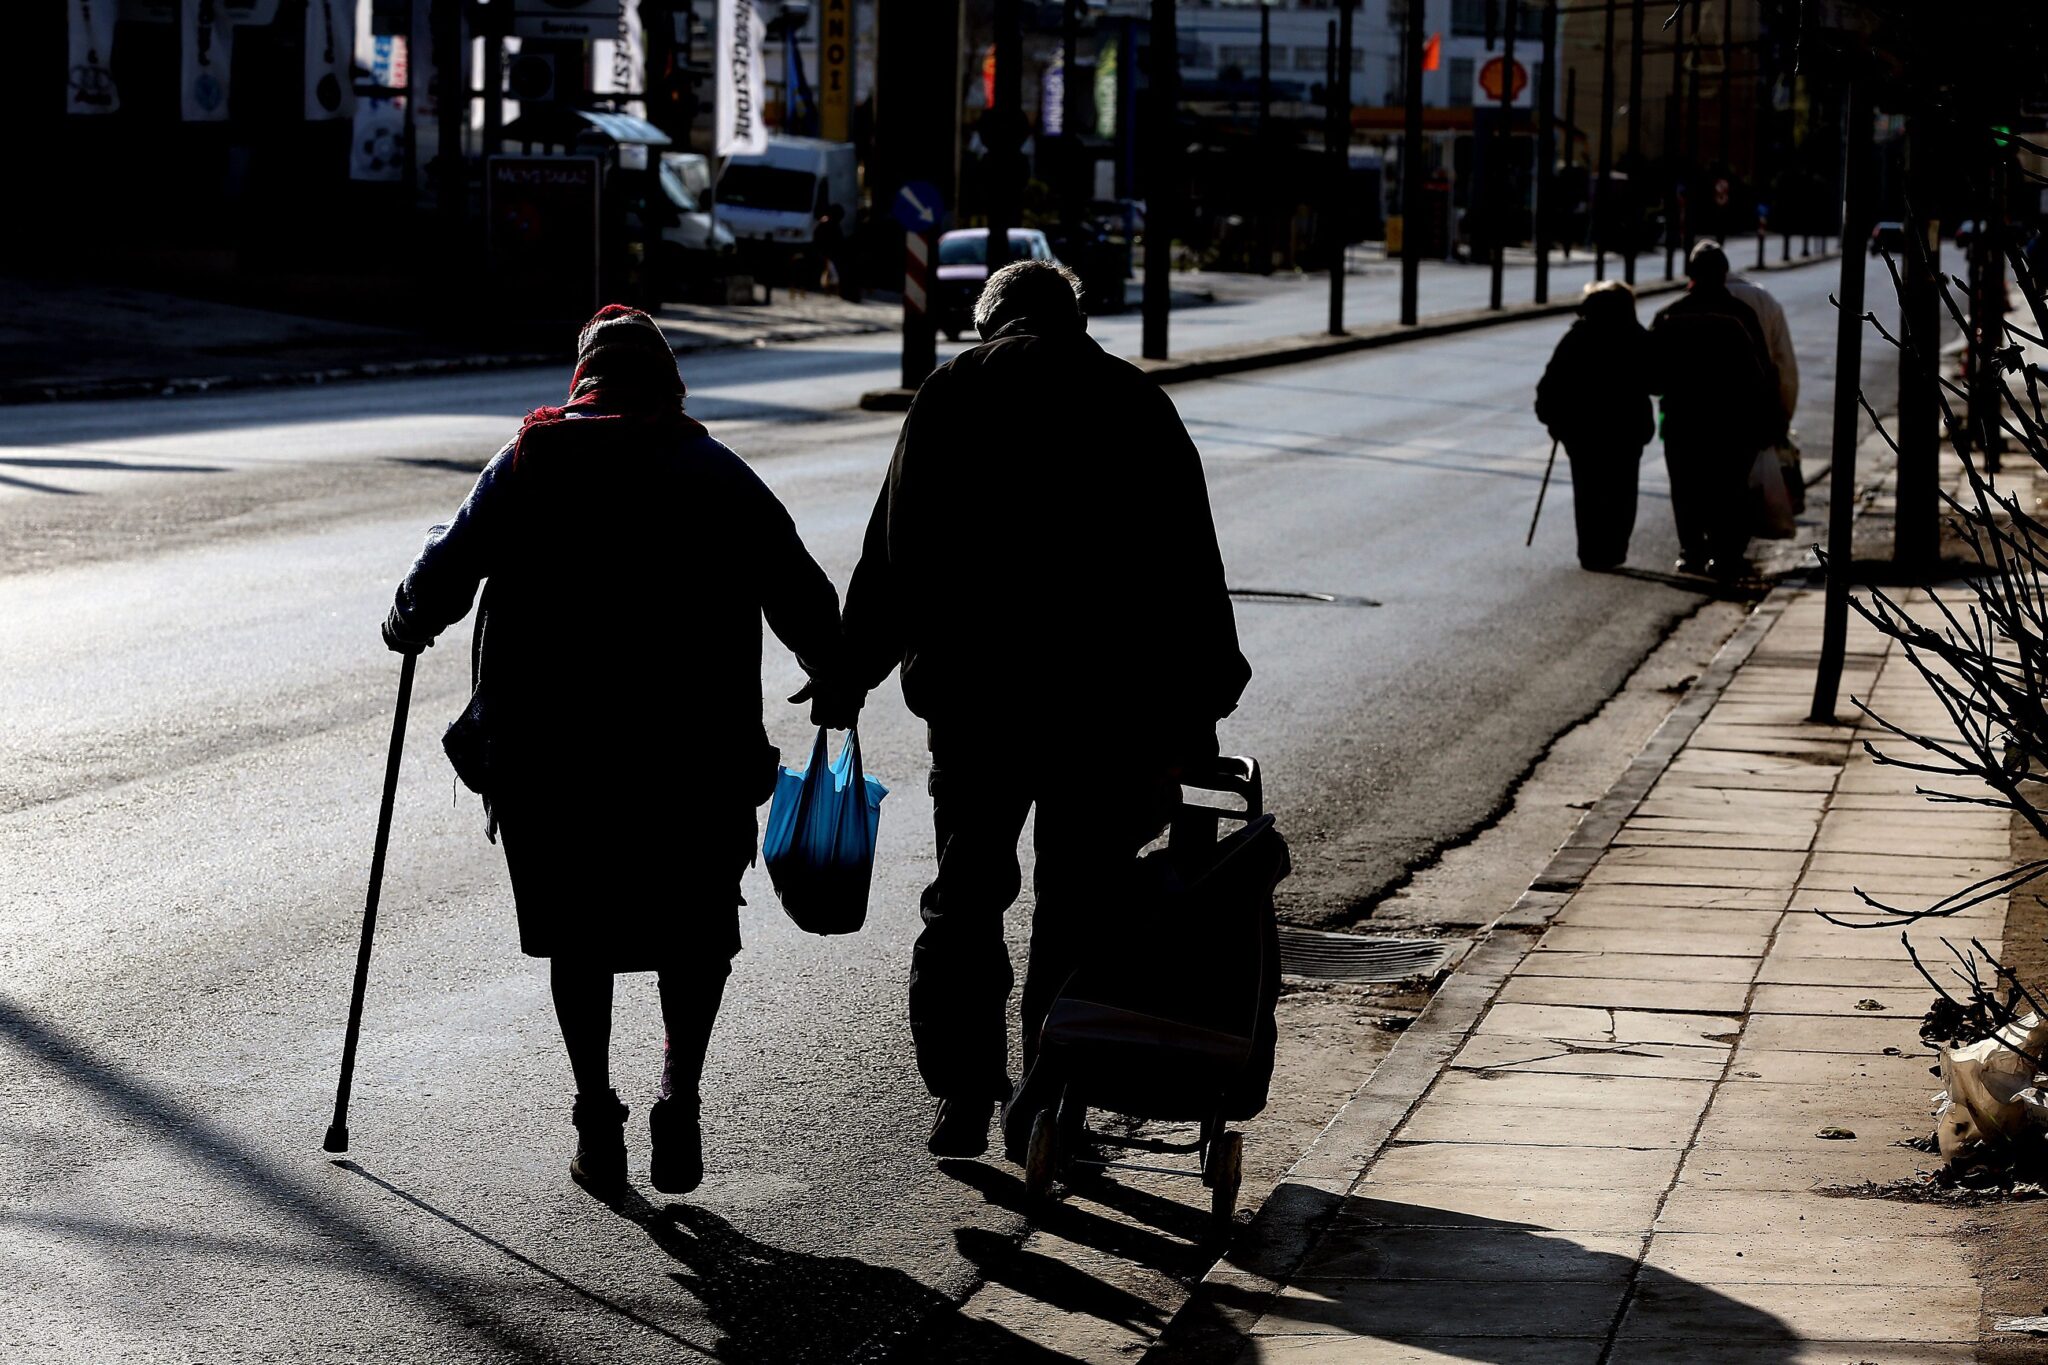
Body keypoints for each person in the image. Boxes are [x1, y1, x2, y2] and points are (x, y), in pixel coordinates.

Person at [380, 305, 848, 1196]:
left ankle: (598, 1116)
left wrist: (409, 617)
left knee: (579, 935)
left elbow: (445, 566)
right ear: (668, 384)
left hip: (554, 763)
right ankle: (679, 1093)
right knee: (697, 927)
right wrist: (836, 670)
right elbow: (798, 584)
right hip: (694, 761)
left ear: (583, 383)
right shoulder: (713, 469)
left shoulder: (528, 462)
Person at [838, 259, 1251, 1160]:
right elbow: (1190, 563)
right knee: (1078, 903)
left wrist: (850, 668)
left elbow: (895, 550)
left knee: (966, 894)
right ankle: (1045, 1096)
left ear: (991, 321)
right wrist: (1205, 700)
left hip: (978, 703)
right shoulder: (1136, 402)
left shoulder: (952, 391)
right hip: (1109, 711)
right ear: (1075, 315)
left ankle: (960, 1093)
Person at [1649, 240, 1781, 579]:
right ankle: (1725, 555)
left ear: (1690, 275)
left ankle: (1691, 551)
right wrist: (1771, 419)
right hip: (1734, 422)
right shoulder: (1740, 315)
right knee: (1730, 488)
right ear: (1724, 275)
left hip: (1682, 419)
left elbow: (1652, 377)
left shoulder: (1669, 315)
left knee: (1686, 486)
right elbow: (1763, 372)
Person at [1534, 281, 1656, 570]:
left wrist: (1554, 422)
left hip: (1582, 432)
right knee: (1622, 491)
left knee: (1588, 491)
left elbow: (1549, 387)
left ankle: (1591, 551)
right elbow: (1657, 380)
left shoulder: (1576, 338)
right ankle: (1614, 549)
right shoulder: (1635, 337)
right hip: (1626, 429)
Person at [1724, 266, 1802, 511]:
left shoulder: (1695, 300)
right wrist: (1784, 414)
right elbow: (1785, 365)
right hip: (1753, 408)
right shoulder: (1764, 300)